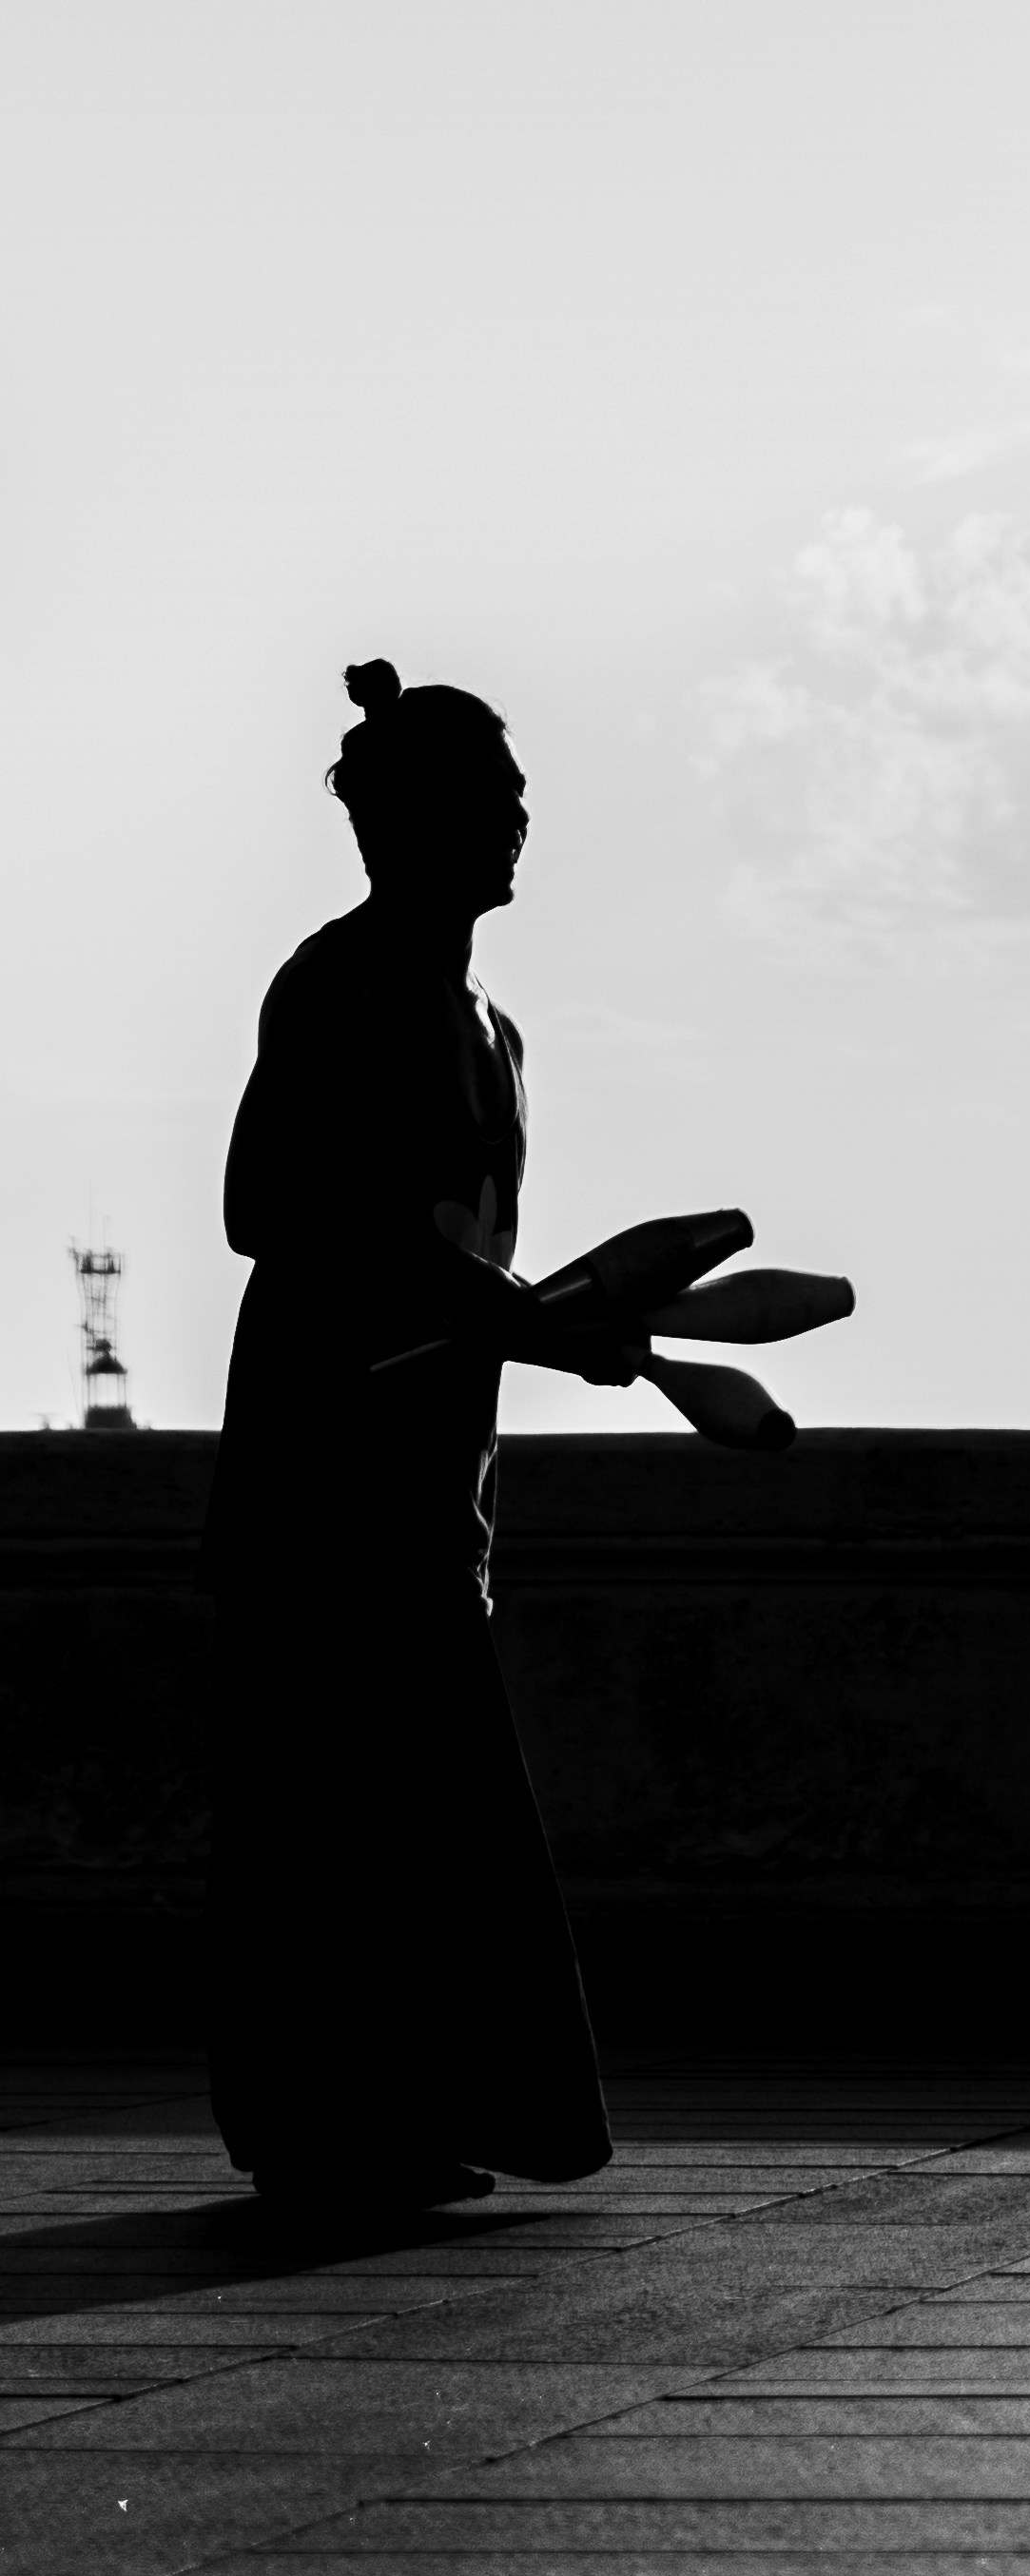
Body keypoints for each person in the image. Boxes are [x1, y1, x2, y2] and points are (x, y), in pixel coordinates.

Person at [200, 663, 636, 2210]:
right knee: (340, 1798)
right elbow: (272, 1207)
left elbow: (458, 1254)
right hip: (323, 1460)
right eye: (492, 791)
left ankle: (402, 2110)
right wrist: (528, 1317)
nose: (521, 813)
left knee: (416, 1800)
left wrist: (534, 1319)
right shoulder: (335, 987)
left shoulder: (500, 1032)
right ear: (411, 822)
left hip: (437, 1466)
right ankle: (329, 2122)